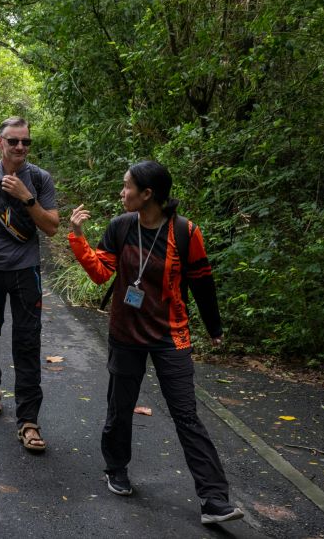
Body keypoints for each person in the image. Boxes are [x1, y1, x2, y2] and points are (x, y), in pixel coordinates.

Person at [68, 160, 244, 525]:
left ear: (148, 194)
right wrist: (77, 237)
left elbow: (201, 280)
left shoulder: (185, 232)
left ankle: (214, 500)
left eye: (127, 186)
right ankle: (116, 468)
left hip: (170, 334)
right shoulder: (120, 226)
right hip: (126, 334)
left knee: (186, 414)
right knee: (121, 406)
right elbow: (101, 275)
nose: (121, 193)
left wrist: (214, 327)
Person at [0, 117, 59, 452]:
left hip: (26, 270)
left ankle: (29, 421)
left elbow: (51, 227)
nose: (20, 147)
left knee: (27, 341)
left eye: (26, 142)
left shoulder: (38, 179)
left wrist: (26, 198)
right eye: (13, 141)